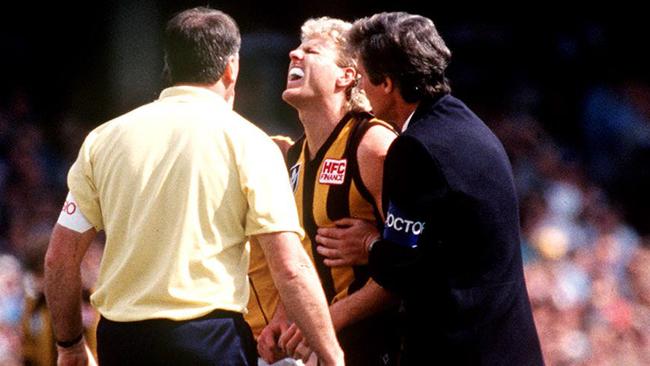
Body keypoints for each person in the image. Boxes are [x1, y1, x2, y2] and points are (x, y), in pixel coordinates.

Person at [43, 7, 343, 366]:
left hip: (122, 342)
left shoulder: (103, 140)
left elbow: (59, 259)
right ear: (231, 67)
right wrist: (332, 355)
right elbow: (290, 267)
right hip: (210, 339)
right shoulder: (250, 143)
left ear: (169, 64)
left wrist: (70, 345)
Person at [316, 12, 545, 365]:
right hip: (509, 345)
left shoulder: (415, 149)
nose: (359, 89)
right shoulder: (468, 123)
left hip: (458, 349)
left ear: (387, 83)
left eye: (362, 78)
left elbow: (401, 266)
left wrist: (367, 243)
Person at [247, 17, 400, 365]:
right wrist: (285, 316)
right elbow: (302, 254)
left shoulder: (372, 144)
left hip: (379, 342)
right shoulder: (296, 157)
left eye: (311, 50)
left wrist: (330, 319)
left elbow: (409, 265)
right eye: (297, 48)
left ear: (347, 76)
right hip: (328, 344)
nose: (294, 54)